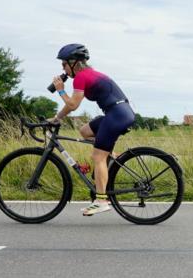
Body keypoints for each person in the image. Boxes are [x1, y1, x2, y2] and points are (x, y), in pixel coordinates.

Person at [49, 43, 135, 216]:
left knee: (97, 156)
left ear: (74, 62)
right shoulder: (87, 75)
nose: (63, 69)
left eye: (64, 65)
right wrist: (57, 118)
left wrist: (60, 91)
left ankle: (101, 200)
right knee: (85, 131)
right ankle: (109, 156)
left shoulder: (81, 76)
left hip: (117, 115)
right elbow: (71, 106)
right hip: (118, 112)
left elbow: (72, 104)